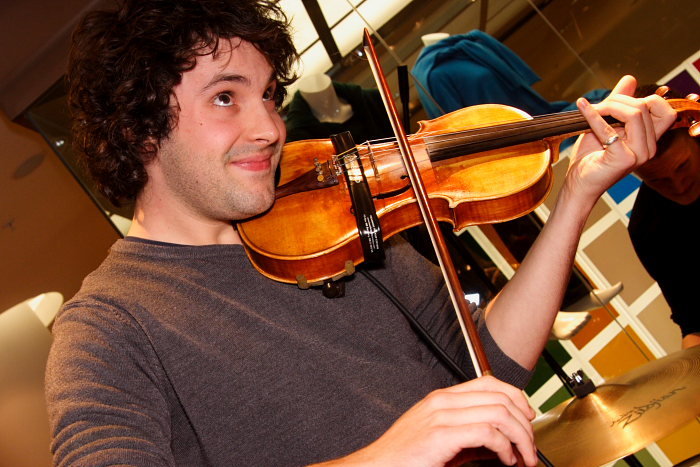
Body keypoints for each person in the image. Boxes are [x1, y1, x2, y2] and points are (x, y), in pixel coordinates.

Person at [44, 1, 676, 466]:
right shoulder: (108, 327)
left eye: (268, 96)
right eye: (226, 98)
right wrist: (391, 455)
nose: (269, 128)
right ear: (137, 127)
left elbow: (487, 363)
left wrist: (577, 195)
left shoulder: (334, 221)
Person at [629, 124, 700, 349]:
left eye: (682, 166)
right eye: (659, 181)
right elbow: (693, 325)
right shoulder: (647, 228)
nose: (678, 185)